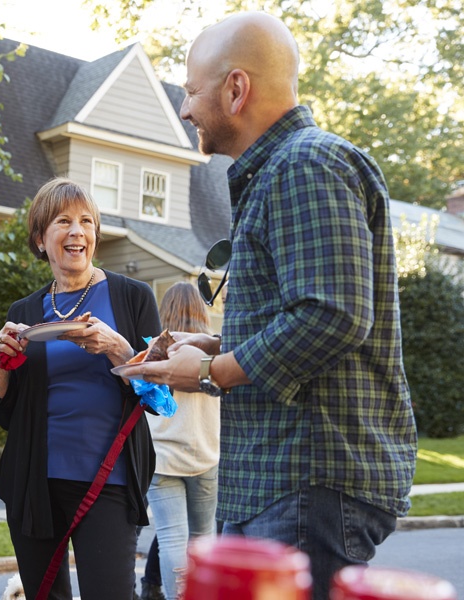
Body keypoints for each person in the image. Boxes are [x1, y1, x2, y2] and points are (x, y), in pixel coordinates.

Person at [119, 12, 417, 600]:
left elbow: (333, 315)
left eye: (191, 90)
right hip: (283, 482)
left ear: (236, 88)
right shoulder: (281, 173)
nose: (184, 109)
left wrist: (208, 372)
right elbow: (298, 318)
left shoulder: (304, 165)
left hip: (307, 477)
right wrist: (206, 345)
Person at [0, 177, 160, 600]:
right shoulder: (26, 312)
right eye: (63, 221)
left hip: (110, 481)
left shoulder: (132, 298)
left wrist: (118, 349)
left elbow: (161, 394)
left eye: (86, 221)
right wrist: (0, 364)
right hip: (34, 483)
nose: (77, 231)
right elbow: (5, 413)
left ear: (96, 236)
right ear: (41, 240)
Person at [145, 282, 219, 599]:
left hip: (161, 457)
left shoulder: (152, 349)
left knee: (172, 537)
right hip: (204, 455)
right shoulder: (215, 352)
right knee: (202, 538)